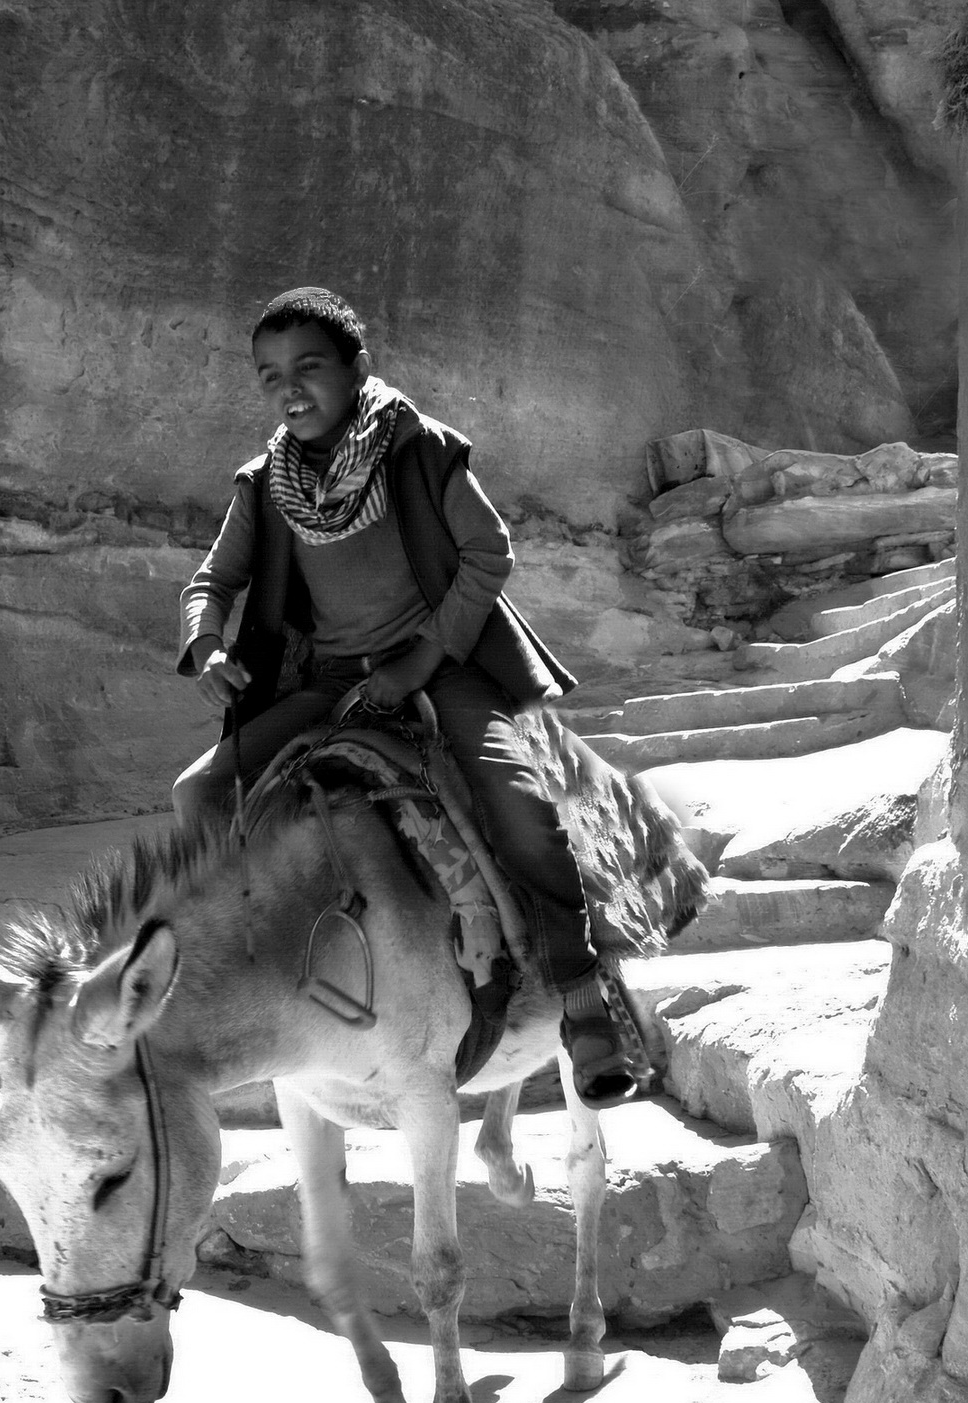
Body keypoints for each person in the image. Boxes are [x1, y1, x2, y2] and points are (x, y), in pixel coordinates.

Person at [172, 286, 643, 1107]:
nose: (291, 388)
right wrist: (205, 639)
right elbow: (213, 581)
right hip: (328, 680)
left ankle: (580, 996)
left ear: (358, 367)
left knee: (518, 799)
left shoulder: (416, 447)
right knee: (199, 790)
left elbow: (487, 551)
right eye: (270, 374)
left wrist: (423, 657)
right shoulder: (265, 481)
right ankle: (240, 958)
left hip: (441, 665)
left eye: (310, 367)